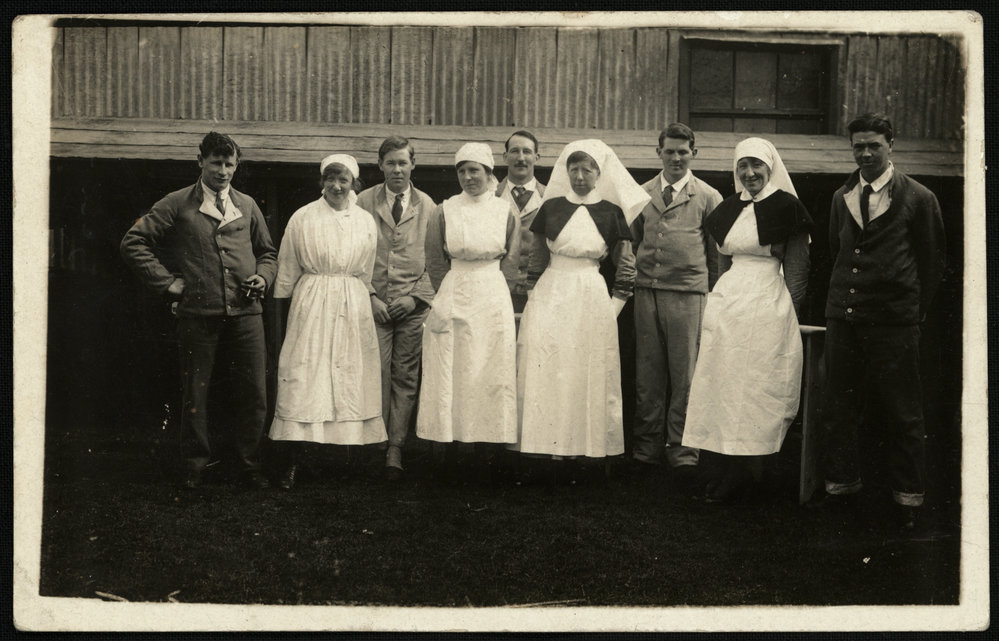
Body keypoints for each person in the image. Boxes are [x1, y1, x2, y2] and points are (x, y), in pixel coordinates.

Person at [120, 131, 277, 490]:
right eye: (216, 163)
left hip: (246, 313)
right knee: (196, 392)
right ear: (200, 162)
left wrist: (263, 277)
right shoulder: (177, 203)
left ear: (237, 166)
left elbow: (267, 252)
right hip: (197, 314)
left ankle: (250, 464)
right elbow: (134, 241)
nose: (223, 171)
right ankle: (193, 467)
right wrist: (168, 283)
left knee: (253, 391)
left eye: (229, 164)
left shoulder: (248, 205)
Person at [816, 113, 946, 531]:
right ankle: (841, 489)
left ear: (891, 144)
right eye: (859, 146)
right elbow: (838, 249)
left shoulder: (919, 197)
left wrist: (909, 311)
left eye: (874, 145)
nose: (866, 153)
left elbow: (932, 263)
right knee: (838, 407)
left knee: (902, 411)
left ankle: (907, 500)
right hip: (845, 320)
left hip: (894, 323)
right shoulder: (842, 196)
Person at [681, 137, 812, 503]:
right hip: (728, 305)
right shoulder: (725, 209)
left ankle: (753, 470)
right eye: (743, 166)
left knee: (756, 389)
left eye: (757, 166)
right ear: (735, 170)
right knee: (723, 384)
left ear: (770, 169)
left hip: (769, 303)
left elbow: (798, 271)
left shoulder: (788, 207)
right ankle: (727, 470)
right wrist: (718, 303)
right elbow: (721, 264)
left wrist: (789, 317)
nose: (750, 173)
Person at [515, 139, 647, 466]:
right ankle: (547, 444)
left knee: (584, 370)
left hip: (591, 295)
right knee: (551, 367)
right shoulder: (552, 207)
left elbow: (626, 265)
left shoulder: (612, 213)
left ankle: (582, 446)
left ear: (599, 173)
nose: (579, 177)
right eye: (573, 169)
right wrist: (534, 296)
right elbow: (537, 257)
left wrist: (613, 307)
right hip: (551, 292)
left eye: (586, 170)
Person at [268, 154, 386, 490]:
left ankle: (351, 463)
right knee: (307, 375)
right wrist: (290, 307)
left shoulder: (364, 221)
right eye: (330, 178)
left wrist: (358, 293)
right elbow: (288, 267)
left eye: (343, 179)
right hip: (313, 301)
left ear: (354, 183)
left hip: (352, 301)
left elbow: (366, 268)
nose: (336, 185)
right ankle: (293, 461)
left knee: (350, 377)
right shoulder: (303, 217)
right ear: (322, 181)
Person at [630, 123, 723, 488]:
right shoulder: (641, 193)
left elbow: (716, 254)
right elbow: (636, 239)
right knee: (647, 373)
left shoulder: (708, 196)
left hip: (688, 295)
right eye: (669, 151)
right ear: (659, 153)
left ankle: (683, 451)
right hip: (646, 292)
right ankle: (645, 449)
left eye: (683, 151)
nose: (676, 158)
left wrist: (710, 294)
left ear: (694, 154)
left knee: (686, 375)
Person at [417, 142, 520, 464]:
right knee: (453, 369)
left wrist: (491, 286)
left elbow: (512, 259)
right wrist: (451, 290)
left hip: (492, 290)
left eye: (474, 170)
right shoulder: (444, 210)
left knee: (490, 368)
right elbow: (435, 259)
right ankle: (451, 448)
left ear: (489, 173)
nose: (467, 177)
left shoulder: (505, 210)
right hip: (455, 288)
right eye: (462, 171)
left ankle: (489, 450)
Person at [356, 136, 436, 482]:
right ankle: (372, 442)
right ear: (381, 166)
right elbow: (352, 252)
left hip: (411, 307)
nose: (397, 169)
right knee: (375, 372)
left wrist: (416, 298)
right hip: (374, 304)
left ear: (413, 165)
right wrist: (370, 295)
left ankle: (396, 448)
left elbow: (437, 260)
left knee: (405, 376)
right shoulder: (362, 202)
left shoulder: (429, 206)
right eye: (390, 163)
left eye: (403, 162)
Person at [495, 130, 547, 313]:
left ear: (537, 157)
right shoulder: (490, 197)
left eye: (527, 152)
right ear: (505, 156)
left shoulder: (549, 198)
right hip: (498, 291)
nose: (521, 157)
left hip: (539, 291)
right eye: (515, 151)